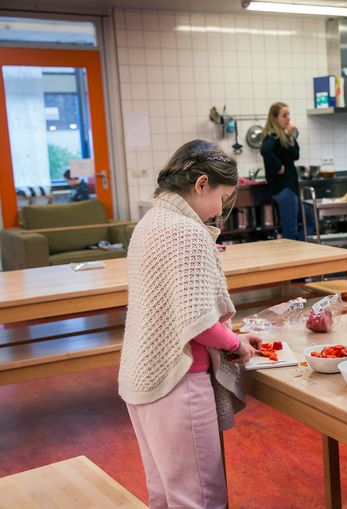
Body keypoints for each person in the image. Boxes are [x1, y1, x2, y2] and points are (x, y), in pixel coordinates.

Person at [119, 139, 262, 508]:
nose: (220, 210)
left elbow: (177, 308)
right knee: (200, 497)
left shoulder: (151, 221)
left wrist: (230, 334)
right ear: (200, 184)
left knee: (165, 494)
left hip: (143, 376)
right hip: (179, 381)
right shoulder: (187, 231)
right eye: (222, 197)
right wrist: (235, 345)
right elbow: (197, 321)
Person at [260, 101, 313, 240]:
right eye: (284, 115)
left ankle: (301, 251)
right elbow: (265, 150)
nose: (288, 118)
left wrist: (291, 136)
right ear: (275, 118)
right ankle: (294, 258)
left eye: (288, 114)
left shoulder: (283, 136)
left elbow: (295, 155)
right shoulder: (272, 136)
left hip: (290, 187)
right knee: (291, 231)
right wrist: (278, 167)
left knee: (309, 221)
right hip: (284, 188)